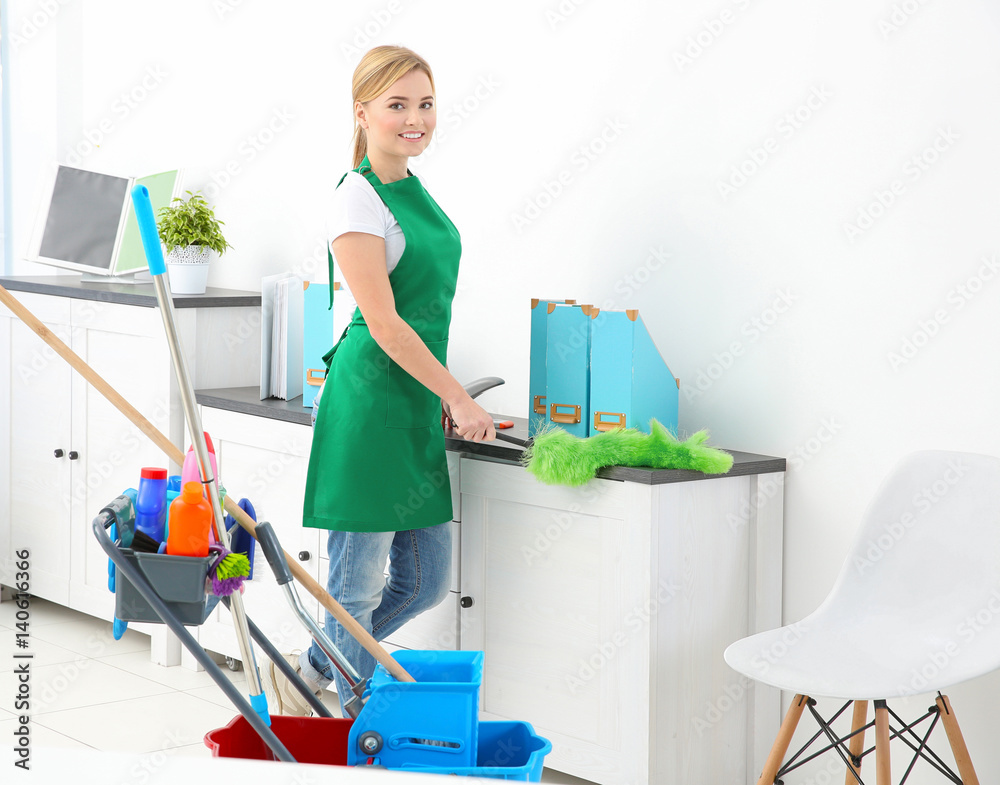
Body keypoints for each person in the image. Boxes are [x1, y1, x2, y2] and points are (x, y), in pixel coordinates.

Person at [267, 45, 496, 716]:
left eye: (424, 104)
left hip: (413, 404)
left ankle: (309, 666)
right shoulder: (356, 199)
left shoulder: (411, 189)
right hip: (370, 405)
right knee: (356, 587)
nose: (414, 119)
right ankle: (352, 724)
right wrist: (455, 392)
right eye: (397, 105)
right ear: (362, 112)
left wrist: (445, 394)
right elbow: (387, 324)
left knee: (424, 582)